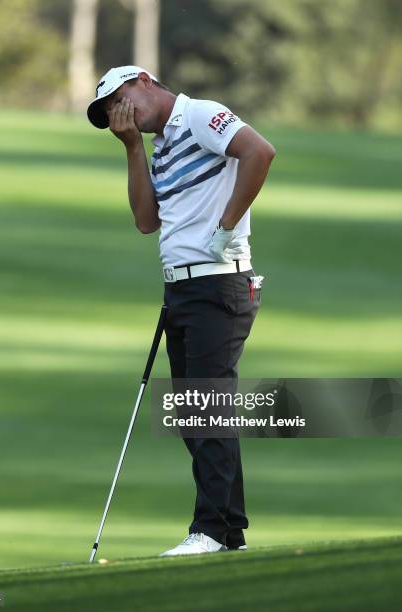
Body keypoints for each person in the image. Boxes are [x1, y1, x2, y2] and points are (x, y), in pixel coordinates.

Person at [87, 65, 275, 556]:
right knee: (195, 415)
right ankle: (229, 532)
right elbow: (146, 221)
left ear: (144, 81)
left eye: (119, 99)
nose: (117, 113)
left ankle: (210, 530)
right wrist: (131, 147)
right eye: (109, 112)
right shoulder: (161, 149)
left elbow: (259, 151)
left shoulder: (201, 115)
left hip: (219, 283)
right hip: (183, 291)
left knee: (207, 408)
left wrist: (226, 226)